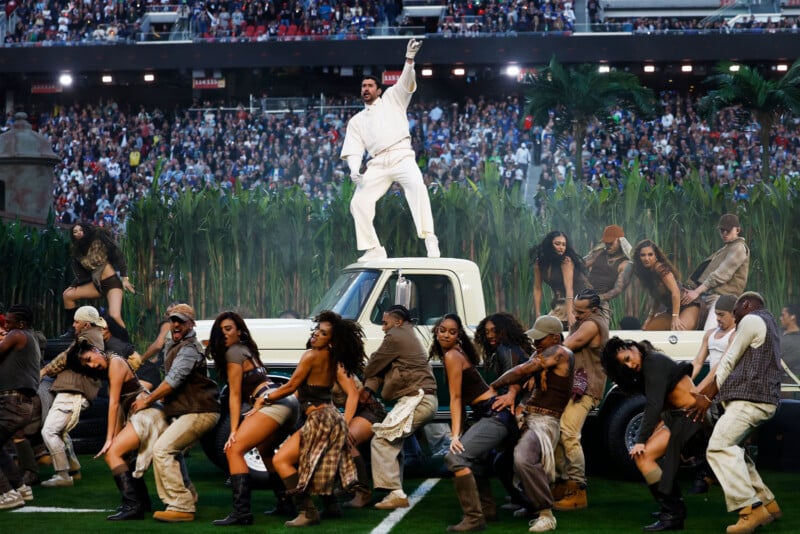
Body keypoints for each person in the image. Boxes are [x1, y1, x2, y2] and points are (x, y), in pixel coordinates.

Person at [689, 292, 783, 534]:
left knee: (718, 448)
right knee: (735, 452)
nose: (735, 317)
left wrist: (706, 396)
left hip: (749, 400)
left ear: (747, 304)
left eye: (736, 312)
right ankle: (769, 504)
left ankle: (750, 510)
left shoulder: (751, 319)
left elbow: (728, 361)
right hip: (763, 400)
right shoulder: (771, 323)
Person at [340, 38, 440, 262]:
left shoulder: (393, 98)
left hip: (402, 155)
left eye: (370, 86)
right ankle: (374, 248)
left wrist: (409, 59)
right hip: (377, 163)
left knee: (417, 187)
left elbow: (405, 83)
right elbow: (354, 149)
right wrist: (354, 169)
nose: (366, 89)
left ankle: (430, 238)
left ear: (379, 89)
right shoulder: (356, 120)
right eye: (363, 86)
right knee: (358, 203)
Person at [263, 310, 365, 527]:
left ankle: (307, 511)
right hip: (331, 419)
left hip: (320, 419)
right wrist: (344, 423)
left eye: (324, 334)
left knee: (280, 460)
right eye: (317, 331)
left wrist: (265, 398)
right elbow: (311, 391)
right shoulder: (333, 360)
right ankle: (331, 506)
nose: (316, 335)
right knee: (317, 461)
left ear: (332, 340)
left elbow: (291, 386)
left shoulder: (310, 356)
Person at [207, 311, 299, 526]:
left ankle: (242, 512)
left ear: (239, 331)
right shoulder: (247, 349)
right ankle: (286, 503)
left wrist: (233, 431)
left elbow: (236, 395)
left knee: (233, 449)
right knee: (265, 450)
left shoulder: (233, 353)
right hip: (287, 403)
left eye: (228, 329)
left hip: (271, 402)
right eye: (220, 331)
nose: (224, 334)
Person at [601, 337, 704, 531]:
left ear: (633, 348)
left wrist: (640, 440)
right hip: (679, 418)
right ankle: (674, 509)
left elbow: (654, 405)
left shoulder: (653, 362)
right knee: (648, 456)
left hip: (692, 418)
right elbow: (663, 405)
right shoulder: (647, 366)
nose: (630, 365)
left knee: (644, 455)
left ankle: (673, 513)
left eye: (628, 358)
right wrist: (652, 432)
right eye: (624, 364)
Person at [131, 303, 221, 523]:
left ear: (192, 324)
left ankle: (181, 505)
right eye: (173, 320)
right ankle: (187, 492)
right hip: (190, 410)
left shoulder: (190, 348)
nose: (176, 324)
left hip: (201, 410)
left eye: (181, 320)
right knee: (172, 450)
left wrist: (147, 400)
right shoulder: (173, 343)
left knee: (162, 449)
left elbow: (173, 381)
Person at [66, 331, 167, 521]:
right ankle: (141, 502)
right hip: (138, 413)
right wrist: (116, 432)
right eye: (86, 364)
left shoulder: (115, 362)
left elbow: (113, 404)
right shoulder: (109, 366)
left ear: (96, 350)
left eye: (89, 359)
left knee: (112, 453)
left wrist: (109, 439)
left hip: (148, 413)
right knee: (122, 456)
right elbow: (120, 405)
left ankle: (133, 506)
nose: (92, 364)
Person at [431, 314, 518, 531]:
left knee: (456, 457)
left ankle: (474, 517)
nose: (446, 335)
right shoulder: (454, 354)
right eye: (442, 330)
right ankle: (487, 510)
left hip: (495, 415)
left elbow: (456, 399)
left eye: (452, 331)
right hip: (489, 414)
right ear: (436, 331)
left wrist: (454, 436)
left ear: (458, 335)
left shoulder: (452, 355)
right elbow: (460, 400)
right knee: (476, 460)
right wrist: (459, 432)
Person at [363, 304, 438, 510]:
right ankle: (394, 491)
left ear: (397, 322)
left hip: (417, 399)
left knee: (382, 439)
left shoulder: (395, 336)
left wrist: (368, 379)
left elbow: (374, 365)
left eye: (385, 323)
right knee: (392, 442)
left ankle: (395, 493)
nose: (383, 328)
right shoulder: (406, 334)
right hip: (421, 399)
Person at [494, 344, 574, 533]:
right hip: (528, 417)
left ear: (555, 337)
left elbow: (521, 370)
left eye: (541, 338)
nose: (537, 343)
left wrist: (493, 386)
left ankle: (546, 514)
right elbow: (520, 374)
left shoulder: (560, 354)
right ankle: (529, 503)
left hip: (544, 422)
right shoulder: (539, 356)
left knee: (524, 457)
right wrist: (512, 393)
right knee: (500, 463)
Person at [552, 289, 609, 511]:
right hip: (575, 386)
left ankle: (578, 489)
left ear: (593, 310)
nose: (575, 314)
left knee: (568, 432)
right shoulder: (583, 321)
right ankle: (563, 483)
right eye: (574, 309)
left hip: (586, 388)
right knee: (557, 431)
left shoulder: (592, 324)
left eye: (580, 311)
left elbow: (567, 346)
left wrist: (535, 360)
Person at [39, 305, 104, 488]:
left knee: (49, 431)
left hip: (73, 391)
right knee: (60, 432)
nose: (73, 325)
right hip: (73, 391)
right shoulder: (92, 337)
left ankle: (63, 475)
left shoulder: (87, 339)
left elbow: (65, 358)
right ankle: (73, 468)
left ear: (85, 324)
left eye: (76, 321)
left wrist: (44, 370)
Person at [62, 223, 135, 338]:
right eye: (75, 232)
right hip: (97, 285)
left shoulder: (98, 239)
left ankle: (128, 344)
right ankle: (73, 330)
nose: (78, 233)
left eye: (81, 230)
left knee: (114, 315)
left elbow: (118, 255)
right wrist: (74, 285)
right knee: (67, 295)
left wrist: (125, 278)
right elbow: (82, 276)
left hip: (112, 283)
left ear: (85, 230)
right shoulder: (77, 252)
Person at [0, 305, 40, 509]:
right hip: (20, 403)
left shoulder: (17, 334)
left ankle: (6, 494)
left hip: (13, 402)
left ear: (21, 323)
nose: (5, 326)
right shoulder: (28, 338)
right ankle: (20, 487)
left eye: (8, 322)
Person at [682, 213, 749, 331]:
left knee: (709, 332)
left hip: (723, 299)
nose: (724, 234)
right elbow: (704, 270)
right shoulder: (726, 248)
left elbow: (720, 275)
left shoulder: (738, 248)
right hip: (709, 297)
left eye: (727, 230)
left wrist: (696, 292)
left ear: (737, 230)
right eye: (722, 230)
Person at [632, 239, 700, 331]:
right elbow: (656, 297)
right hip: (671, 309)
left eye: (650, 254)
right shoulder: (646, 273)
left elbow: (675, 292)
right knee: (649, 329)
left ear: (656, 256)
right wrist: (650, 318)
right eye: (643, 255)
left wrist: (675, 317)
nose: (646, 258)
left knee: (678, 332)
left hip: (687, 305)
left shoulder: (660, 268)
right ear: (639, 257)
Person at [532, 230, 589, 327]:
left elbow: (569, 288)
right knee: (542, 328)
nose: (561, 247)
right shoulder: (539, 263)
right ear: (549, 244)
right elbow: (537, 289)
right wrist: (538, 314)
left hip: (578, 301)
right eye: (557, 244)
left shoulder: (566, 261)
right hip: (560, 303)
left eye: (563, 245)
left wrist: (570, 313)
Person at [690, 294, 737, 381]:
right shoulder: (710, 334)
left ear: (733, 314)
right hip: (712, 384)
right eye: (716, 314)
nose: (717, 319)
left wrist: (699, 389)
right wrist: (684, 382)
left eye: (721, 315)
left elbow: (721, 367)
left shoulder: (736, 335)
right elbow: (697, 363)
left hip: (730, 385)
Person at [583, 224, 633, 304]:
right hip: (583, 294)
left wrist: (598, 298)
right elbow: (580, 264)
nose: (608, 245)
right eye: (606, 242)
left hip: (600, 303)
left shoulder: (625, 264)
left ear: (620, 241)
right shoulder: (599, 253)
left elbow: (617, 290)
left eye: (611, 242)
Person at [778, 303, 800, 385]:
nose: (780, 318)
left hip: (786, 383)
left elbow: (785, 364)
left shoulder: (797, 341)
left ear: (792, 317)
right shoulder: (778, 331)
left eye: (783, 315)